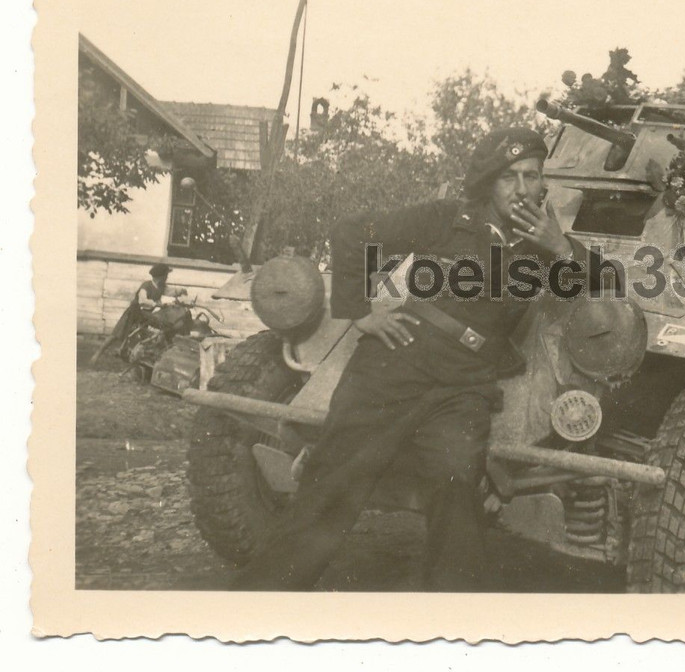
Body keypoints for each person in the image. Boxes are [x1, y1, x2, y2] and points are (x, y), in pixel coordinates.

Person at [231, 128, 606, 592]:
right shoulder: (446, 219)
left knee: (457, 488)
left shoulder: (541, 248)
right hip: (396, 366)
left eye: (532, 176)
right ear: (489, 182)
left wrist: (563, 248)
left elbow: (608, 285)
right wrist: (359, 312)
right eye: (509, 177)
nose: (522, 189)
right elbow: (350, 234)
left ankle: (449, 628)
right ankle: (260, 606)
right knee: (331, 488)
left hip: (463, 385)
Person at [90, 262, 187, 365]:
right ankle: (96, 355)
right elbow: (142, 301)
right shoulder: (146, 286)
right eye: (166, 275)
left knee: (151, 332)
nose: (167, 277)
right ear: (161, 276)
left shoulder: (161, 286)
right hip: (134, 312)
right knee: (117, 334)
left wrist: (181, 291)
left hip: (146, 314)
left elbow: (170, 291)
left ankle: (138, 355)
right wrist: (157, 304)